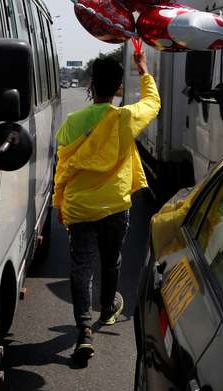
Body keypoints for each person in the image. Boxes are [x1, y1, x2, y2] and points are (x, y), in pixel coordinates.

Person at [53, 50, 160, 363]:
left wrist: (60, 201)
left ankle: (84, 330)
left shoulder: (72, 123)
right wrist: (143, 70)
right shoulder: (124, 119)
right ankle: (108, 308)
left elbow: (62, 167)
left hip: (81, 207)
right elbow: (153, 103)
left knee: (81, 267)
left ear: (90, 85)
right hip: (114, 204)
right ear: (117, 89)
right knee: (111, 259)